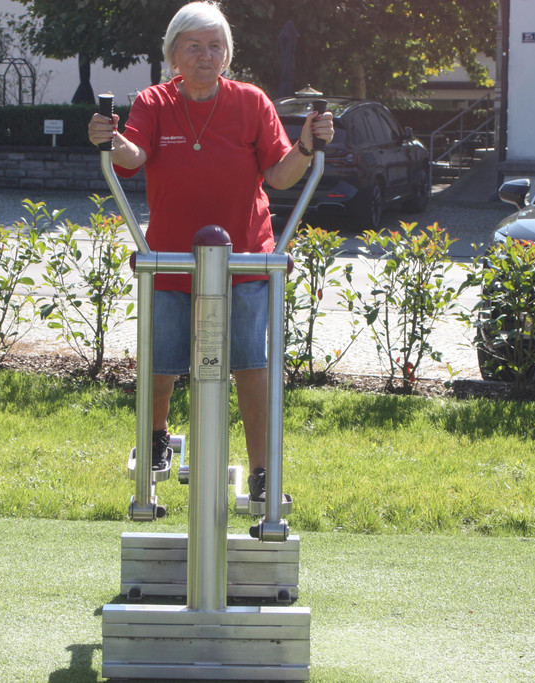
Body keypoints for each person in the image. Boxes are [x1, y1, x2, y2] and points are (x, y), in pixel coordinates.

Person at [88, 1, 333, 502]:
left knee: (251, 366)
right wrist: (110, 140)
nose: (206, 56)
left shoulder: (251, 101)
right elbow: (133, 157)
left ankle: (262, 471)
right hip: (172, 259)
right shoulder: (155, 102)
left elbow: (280, 175)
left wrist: (306, 145)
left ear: (227, 53)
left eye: (215, 46)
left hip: (244, 258)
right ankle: (155, 437)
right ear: (173, 54)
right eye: (194, 46)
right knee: (160, 363)